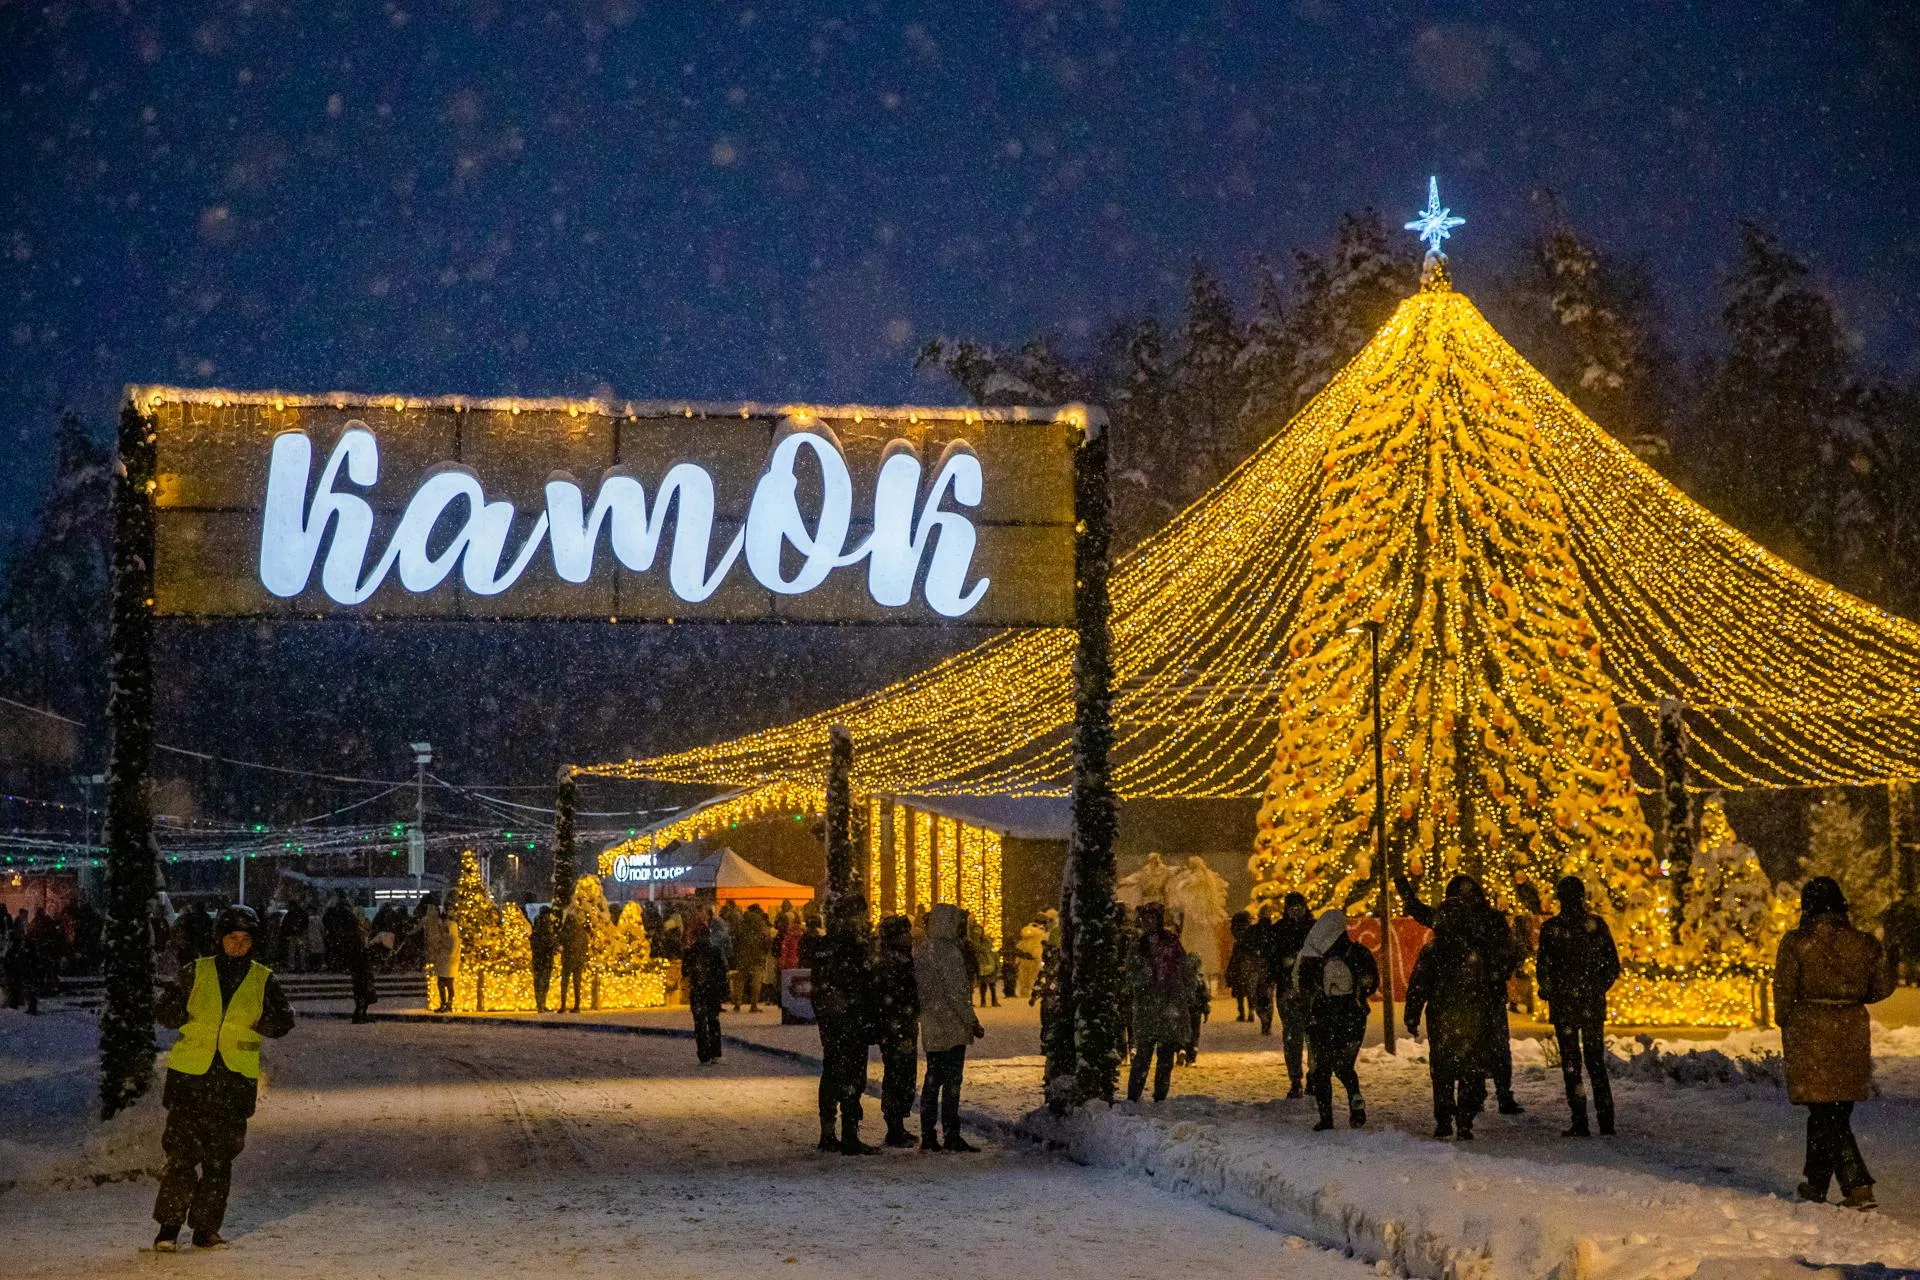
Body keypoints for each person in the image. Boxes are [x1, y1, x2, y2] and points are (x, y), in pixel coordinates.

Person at [150, 905, 295, 1251]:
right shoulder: (195, 972)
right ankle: (168, 1228)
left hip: (232, 1082)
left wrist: (260, 1023)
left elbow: (284, 1021)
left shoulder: (263, 978)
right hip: (191, 1078)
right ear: (220, 939)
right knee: (181, 1156)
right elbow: (165, 1011)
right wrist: (177, 1010)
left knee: (219, 1161)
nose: (238, 944)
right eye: (232, 938)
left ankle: (205, 1229)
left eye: (245, 939)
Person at [1775, 876, 1896, 1210]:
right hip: (1850, 1031)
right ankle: (1818, 1186)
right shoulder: (1864, 944)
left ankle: (1856, 1186)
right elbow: (1880, 988)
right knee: (1834, 1111)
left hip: (1811, 1032)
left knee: (1826, 1113)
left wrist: (1786, 1019)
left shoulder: (1797, 943)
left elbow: (1784, 991)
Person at [1399, 873, 1523, 1114]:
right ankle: (1481, 1098)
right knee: (1478, 1050)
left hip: (1485, 994)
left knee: (1490, 1047)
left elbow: (1508, 953)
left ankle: (1496, 1094)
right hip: (1478, 995)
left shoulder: (1484, 921)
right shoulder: (1464, 923)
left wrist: (1497, 973)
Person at [1404, 896, 1502, 1140]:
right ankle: (1464, 1119)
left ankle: (1445, 1117)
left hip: (1442, 1016)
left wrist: (1412, 1015)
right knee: (1469, 1068)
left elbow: (1418, 985)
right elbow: (1492, 983)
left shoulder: (1434, 950)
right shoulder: (1477, 949)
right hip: (1471, 1015)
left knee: (1442, 1069)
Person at [1535, 876, 1621, 1138]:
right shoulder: (1594, 926)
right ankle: (1605, 1121)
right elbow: (1611, 965)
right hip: (1589, 1003)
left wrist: (1553, 990)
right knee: (1595, 1062)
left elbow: (1544, 968)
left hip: (1566, 1005)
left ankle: (1580, 1120)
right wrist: (1595, 989)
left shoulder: (1553, 929)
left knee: (1572, 1064)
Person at [806, 895, 878, 1154]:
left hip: (833, 1021)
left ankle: (828, 1131)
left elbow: (818, 985)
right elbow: (863, 983)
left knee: (832, 1071)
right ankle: (849, 1133)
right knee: (852, 1075)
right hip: (850, 1020)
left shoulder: (826, 946)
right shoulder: (851, 946)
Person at [1296, 907, 1377, 1131]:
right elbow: (1372, 982)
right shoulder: (1358, 953)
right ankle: (1355, 1101)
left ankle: (1326, 1117)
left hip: (1324, 1015)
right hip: (1352, 1016)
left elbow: (1303, 983)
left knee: (1322, 1069)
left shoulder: (1316, 957)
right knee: (1344, 1066)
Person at [916, 902, 984, 1150]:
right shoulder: (950, 954)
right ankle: (951, 1133)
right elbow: (957, 995)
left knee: (932, 1080)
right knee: (952, 1083)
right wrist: (972, 1021)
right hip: (952, 1027)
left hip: (933, 1025)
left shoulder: (923, 951)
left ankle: (928, 1133)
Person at [1126, 903, 1191, 1103]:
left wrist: (1182, 991)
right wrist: (1143, 977)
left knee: (1165, 1056)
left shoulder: (1171, 942)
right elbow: (1131, 973)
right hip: (1147, 1007)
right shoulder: (1138, 945)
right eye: (1146, 920)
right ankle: (1133, 1096)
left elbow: (1183, 967)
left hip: (1168, 1004)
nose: (1149, 924)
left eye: (1153, 919)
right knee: (1143, 1055)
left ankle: (1160, 1096)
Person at [872, 914, 922, 1147]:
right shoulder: (893, 962)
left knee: (902, 1074)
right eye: (905, 933)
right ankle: (894, 1126)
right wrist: (899, 1029)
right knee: (898, 1074)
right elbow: (894, 998)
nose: (908, 937)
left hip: (900, 1025)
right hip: (897, 1027)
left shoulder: (897, 959)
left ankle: (898, 1124)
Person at [1269, 893, 1314, 1096]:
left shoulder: (1313, 929)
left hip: (1311, 989)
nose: (1296, 912)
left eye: (1299, 907)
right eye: (1292, 908)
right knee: (1293, 1036)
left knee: (1313, 1036)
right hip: (1288, 990)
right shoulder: (1279, 930)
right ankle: (1296, 1079)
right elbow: (1272, 959)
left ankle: (1314, 1075)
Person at [682, 907, 729, 1065]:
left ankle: (704, 1053)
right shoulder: (715, 951)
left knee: (700, 1023)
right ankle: (715, 1052)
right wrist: (723, 990)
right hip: (712, 991)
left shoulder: (690, 952)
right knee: (713, 1022)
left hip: (698, 991)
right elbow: (722, 971)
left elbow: (684, 971)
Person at [422, 897, 460, 1013]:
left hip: (449, 959)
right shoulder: (448, 924)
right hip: (445, 958)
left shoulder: (451, 926)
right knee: (443, 983)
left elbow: (451, 941)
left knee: (447, 983)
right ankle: (445, 1004)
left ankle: (448, 1004)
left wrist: (442, 941)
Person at [733, 903, 772, 1012]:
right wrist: (764, 949)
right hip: (757, 955)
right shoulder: (761, 923)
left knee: (740, 979)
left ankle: (737, 1003)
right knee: (756, 980)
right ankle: (753, 1004)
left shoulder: (742, 923)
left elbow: (736, 938)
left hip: (743, 955)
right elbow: (766, 940)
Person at [346, 911, 380, 1023]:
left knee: (362, 991)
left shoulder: (357, 936)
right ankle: (360, 1014)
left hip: (360, 967)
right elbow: (358, 953)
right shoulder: (357, 937)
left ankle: (361, 1013)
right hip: (361, 967)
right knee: (363, 991)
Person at [1226, 911, 1258, 1021]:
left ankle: (1242, 1013)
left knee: (1239, 988)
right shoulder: (1251, 931)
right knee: (1250, 989)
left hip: (1239, 961)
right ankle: (1251, 1012)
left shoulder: (1237, 932)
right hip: (1249, 961)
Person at [530, 901, 560, 1012]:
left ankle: (540, 1004)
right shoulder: (546, 927)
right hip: (545, 959)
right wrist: (554, 947)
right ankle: (541, 1004)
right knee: (543, 982)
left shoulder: (535, 930)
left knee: (538, 982)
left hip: (538, 959)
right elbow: (549, 942)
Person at [320, 892, 355, 972]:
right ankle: (343, 966)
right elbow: (353, 923)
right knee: (343, 952)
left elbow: (326, 922)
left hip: (335, 935)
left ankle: (335, 966)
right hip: (344, 936)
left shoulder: (332, 913)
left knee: (335, 952)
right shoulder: (348, 913)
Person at [968, 919, 1000, 1007]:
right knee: (983, 984)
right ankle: (983, 1000)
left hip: (988, 963)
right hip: (980, 964)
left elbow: (989, 951)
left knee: (991, 983)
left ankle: (993, 1000)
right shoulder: (971, 943)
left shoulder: (985, 942)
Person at [1013, 916, 1046, 999]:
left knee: (1029, 977)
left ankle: (1028, 992)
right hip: (1029, 958)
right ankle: (1027, 992)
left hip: (1030, 958)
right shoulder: (1039, 934)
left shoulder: (1030, 937)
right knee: (1026, 977)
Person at [278, 897, 310, 973]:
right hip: (300, 934)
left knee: (292, 952)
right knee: (301, 952)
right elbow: (306, 923)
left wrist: (289, 931)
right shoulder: (302, 913)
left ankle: (293, 967)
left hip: (293, 934)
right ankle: (302, 967)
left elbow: (285, 924)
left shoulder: (290, 914)